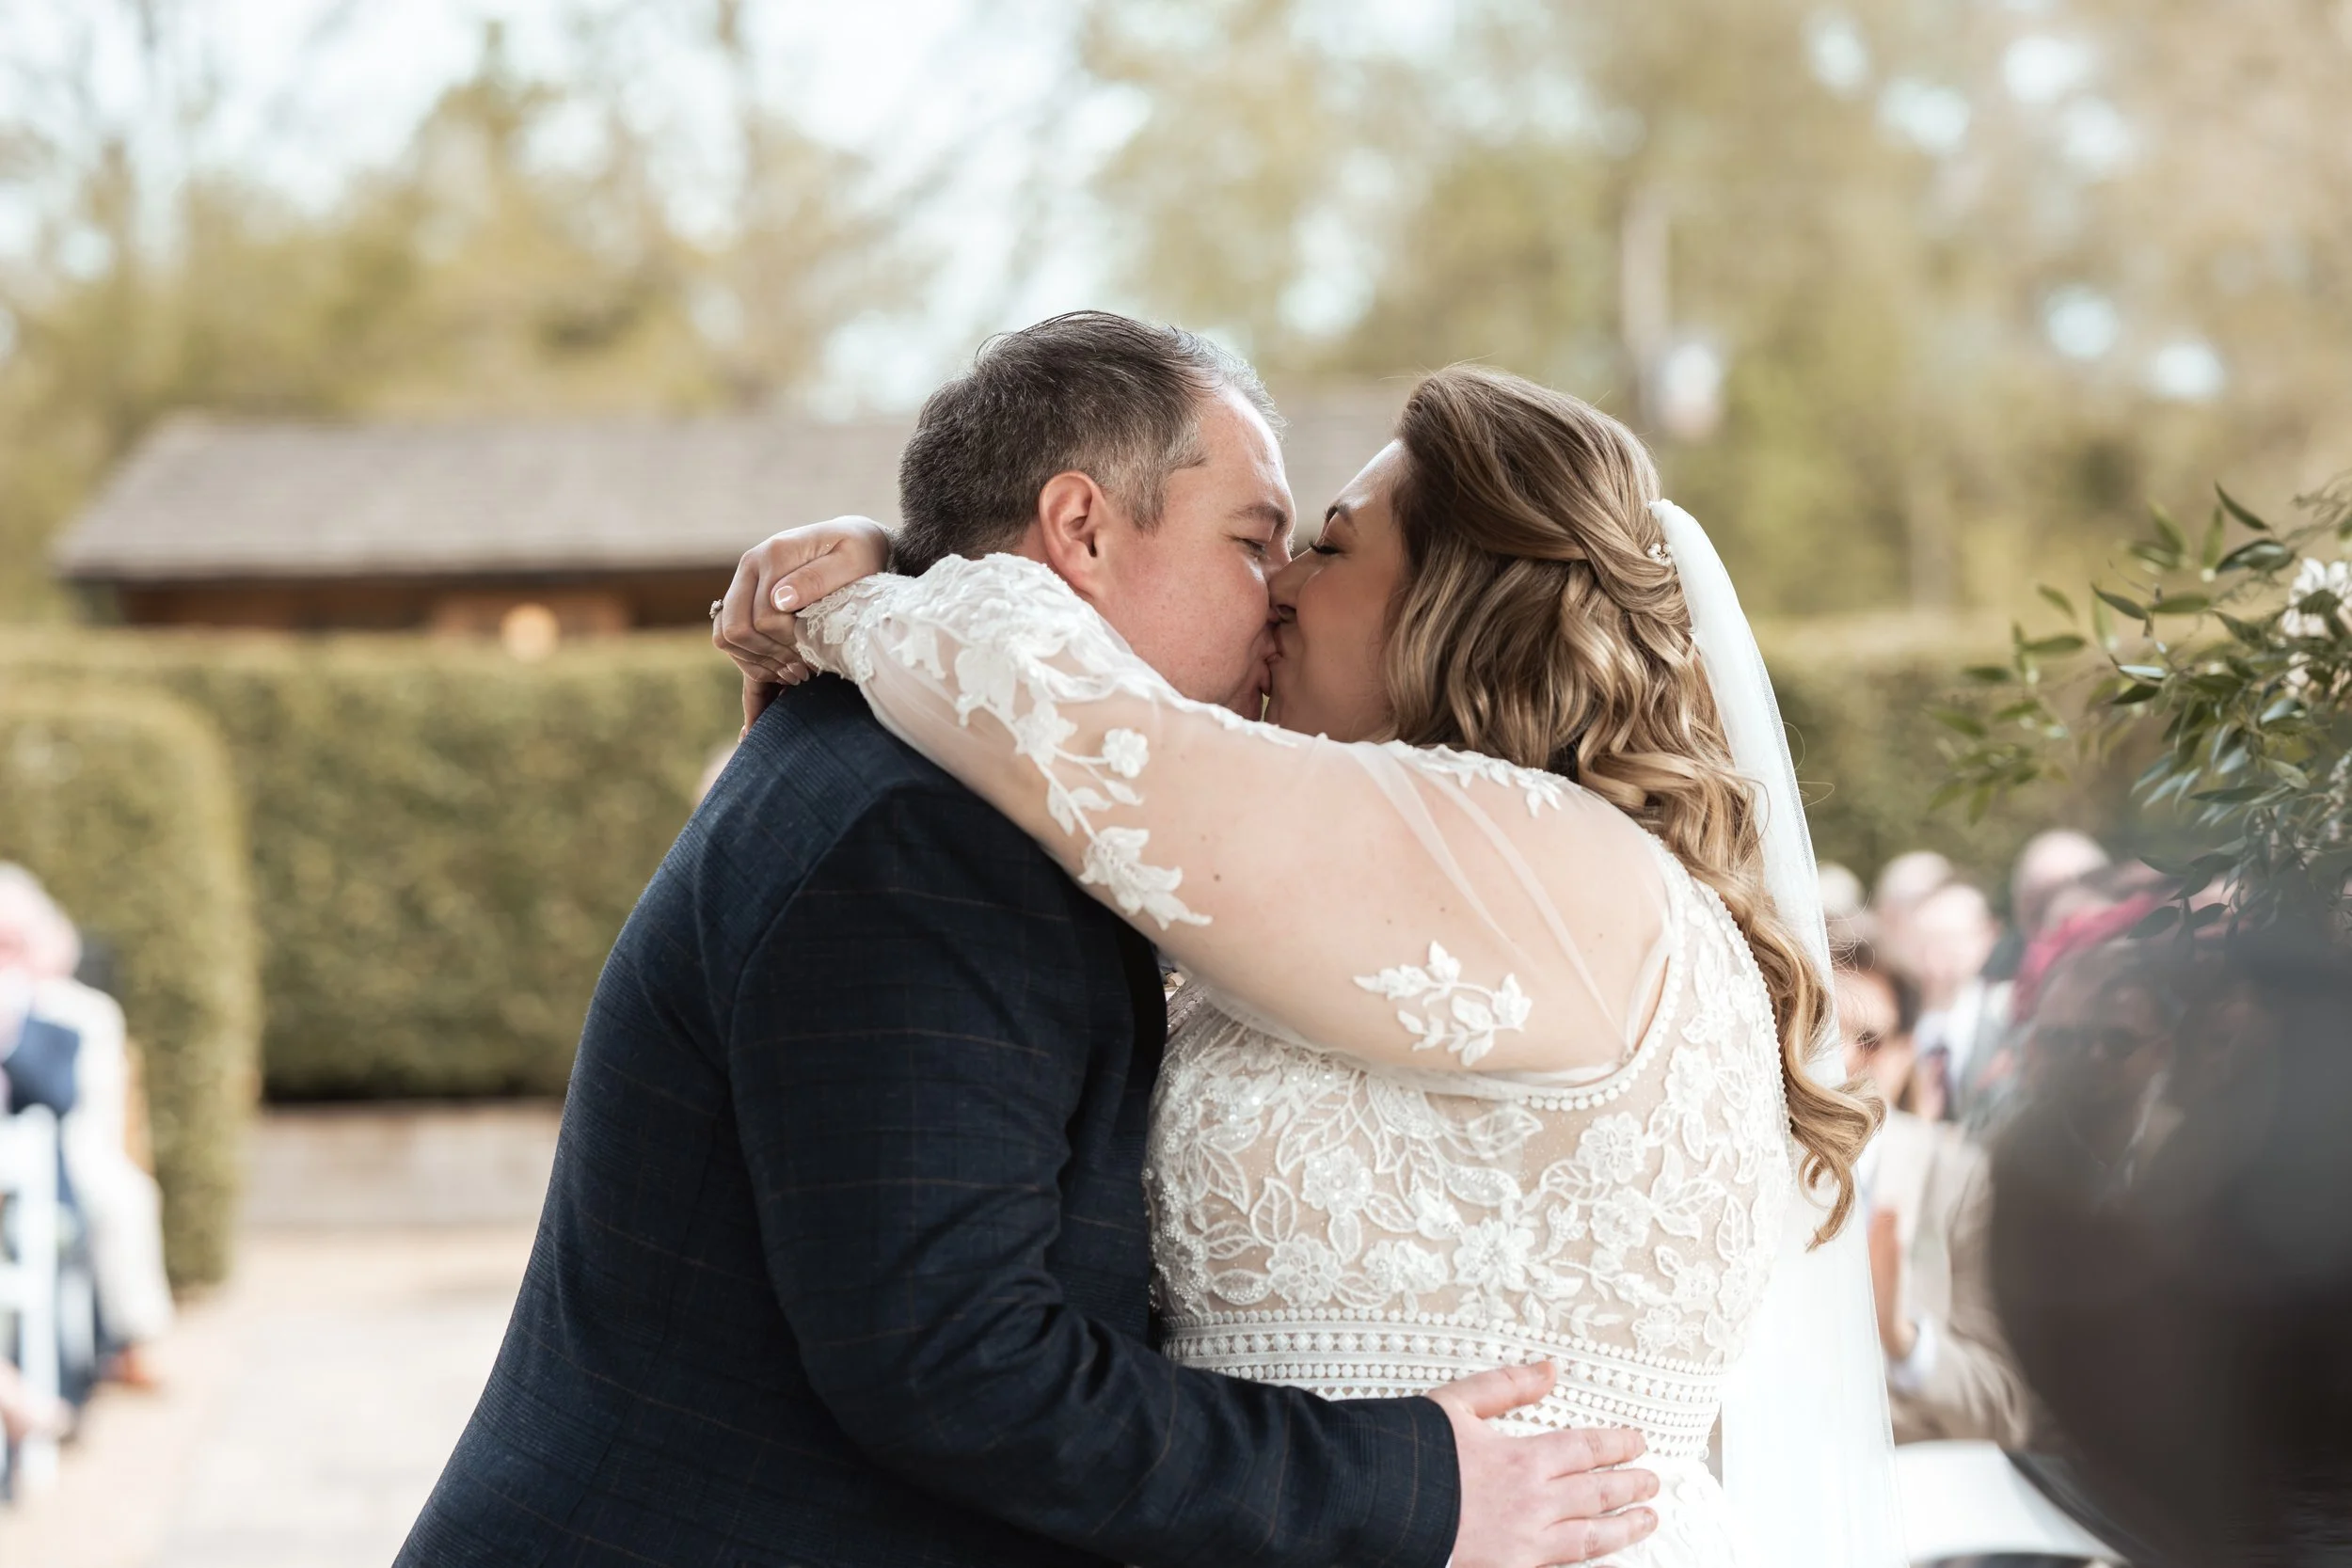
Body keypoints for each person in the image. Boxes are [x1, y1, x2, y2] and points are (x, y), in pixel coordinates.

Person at [400, 315, 1665, 1568]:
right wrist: (1404, 1486)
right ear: (1082, 527)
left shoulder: (974, 794)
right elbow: (958, 1357)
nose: (1279, 590)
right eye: (1251, 539)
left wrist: (890, 576)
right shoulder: (936, 836)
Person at [721, 355, 1904, 1566]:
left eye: (1329, 548)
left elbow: (1091, 736)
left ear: (1461, 600)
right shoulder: (1439, 871)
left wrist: (873, 589)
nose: (1279, 583)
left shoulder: (1540, 861)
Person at [1990, 926, 2352, 1565]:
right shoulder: (2029, 1154)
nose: (2093, 1058)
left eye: (2116, 1041)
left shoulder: (2205, 1171)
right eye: (2071, 1040)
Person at [1836, 948, 2030, 1448]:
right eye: (1820, 1028)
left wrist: (1904, 1342)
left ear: (1904, 1053)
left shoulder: (1961, 1178)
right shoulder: (1724, 1166)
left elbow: (2006, 1408)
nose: (1841, 1057)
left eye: (1869, 1039)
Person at [0, 867, 174, 1385]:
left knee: (120, 1198)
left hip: (71, 1145)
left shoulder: (77, 1014)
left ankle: (132, 1339)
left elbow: (74, 1104)